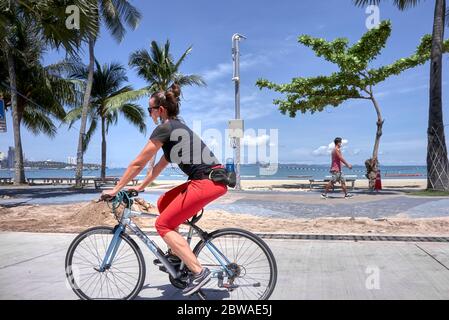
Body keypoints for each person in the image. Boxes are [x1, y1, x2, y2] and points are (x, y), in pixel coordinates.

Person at [101, 83, 228, 296]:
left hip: (207, 182)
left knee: (162, 224)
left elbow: (138, 164)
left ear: (161, 110)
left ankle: (198, 271)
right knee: (163, 202)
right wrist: (139, 187)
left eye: (150, 109)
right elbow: (156, 169)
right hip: (208, 180)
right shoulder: (176, 129)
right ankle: (177, 256)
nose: (148, 113)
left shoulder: (165, 128)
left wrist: (116, 189)